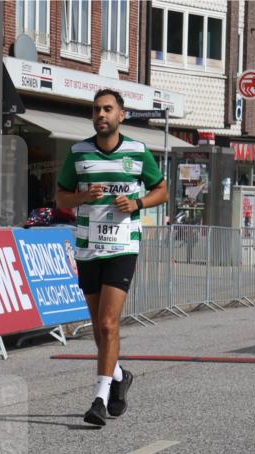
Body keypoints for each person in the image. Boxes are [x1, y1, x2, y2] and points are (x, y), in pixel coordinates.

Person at [56, 89, 168, 428]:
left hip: (122, 248)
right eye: (96, 110)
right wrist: (83, 196)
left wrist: (137, 204)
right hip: (88, 248)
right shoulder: (78, 153)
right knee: (99, 329)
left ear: (121, 115)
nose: (101, 114)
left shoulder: (138, 151)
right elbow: (60, 196)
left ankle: (100, 399)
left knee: (108, 324)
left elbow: (162, 190)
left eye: (108, 109)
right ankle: (119, 375)